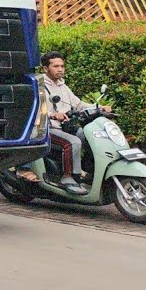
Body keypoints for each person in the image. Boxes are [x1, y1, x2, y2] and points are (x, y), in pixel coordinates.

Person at [40, 51, 104, 195]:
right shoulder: (40, 86)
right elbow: (36, 111)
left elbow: (79, 104)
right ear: (45, 68)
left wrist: (99, 108)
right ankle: (68, 177)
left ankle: (89, 171)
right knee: (73, 142)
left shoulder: (62, 86)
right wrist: (54, 115)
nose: (60, 69)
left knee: (91, 137)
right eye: (56, 66)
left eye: (62, 66)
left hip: (65, 127)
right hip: (47, 129)